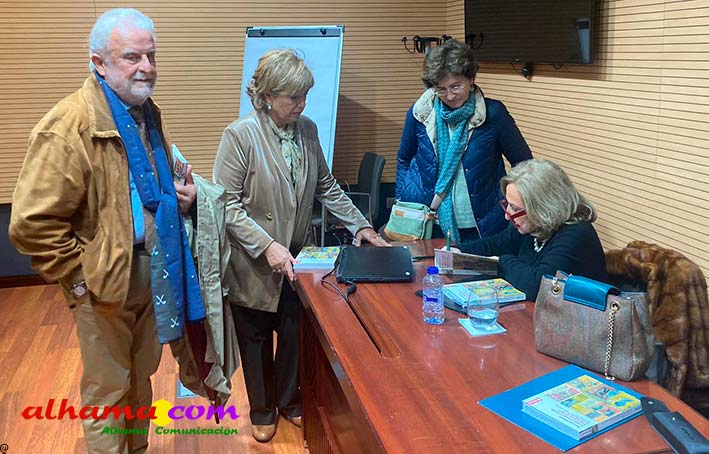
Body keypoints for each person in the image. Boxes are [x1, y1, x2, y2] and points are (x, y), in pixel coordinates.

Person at [9, 8, 200, 453]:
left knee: (140, 377)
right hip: (102, 281)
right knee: (108, 390)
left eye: (151, 55)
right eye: (132, 57)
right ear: (98, 63)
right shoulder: (67, 127)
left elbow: (144, 190)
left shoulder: (145, 113)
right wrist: (79, 277)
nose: (146, 67)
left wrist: (182, 197)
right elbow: (30, 224)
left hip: (154, 269)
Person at [213, 49, 389, 443]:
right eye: (293, 97)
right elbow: (225, 206)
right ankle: (263, 409)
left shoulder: (307, 129)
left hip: (299, 257)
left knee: (293, 331)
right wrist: (267, 246)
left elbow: (326, 186)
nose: (302, 104)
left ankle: (290, 401)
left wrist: (361, 226)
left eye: (305, 95)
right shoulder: (239, 136)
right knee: (256, 338)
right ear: (267, 96)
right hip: (253, 262)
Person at [395, 38, 532, 244]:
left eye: (455, 86)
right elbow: (404, 158)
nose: (450, 96)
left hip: (482, 222)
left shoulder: (493, 114)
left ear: (471, 79)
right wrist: (402, 200)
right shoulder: (420, 114)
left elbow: (523, 163)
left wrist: (514, 204)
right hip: (427, 220)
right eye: (441, 89)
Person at [458, 159, 608, 298]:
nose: (507, 216)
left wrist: (502, 262)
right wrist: (456, 251)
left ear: (544, 209)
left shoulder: (576, 234)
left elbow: (538, 286)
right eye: (507, 204)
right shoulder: (533, 225)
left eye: (515, 208)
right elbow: (496, 244)